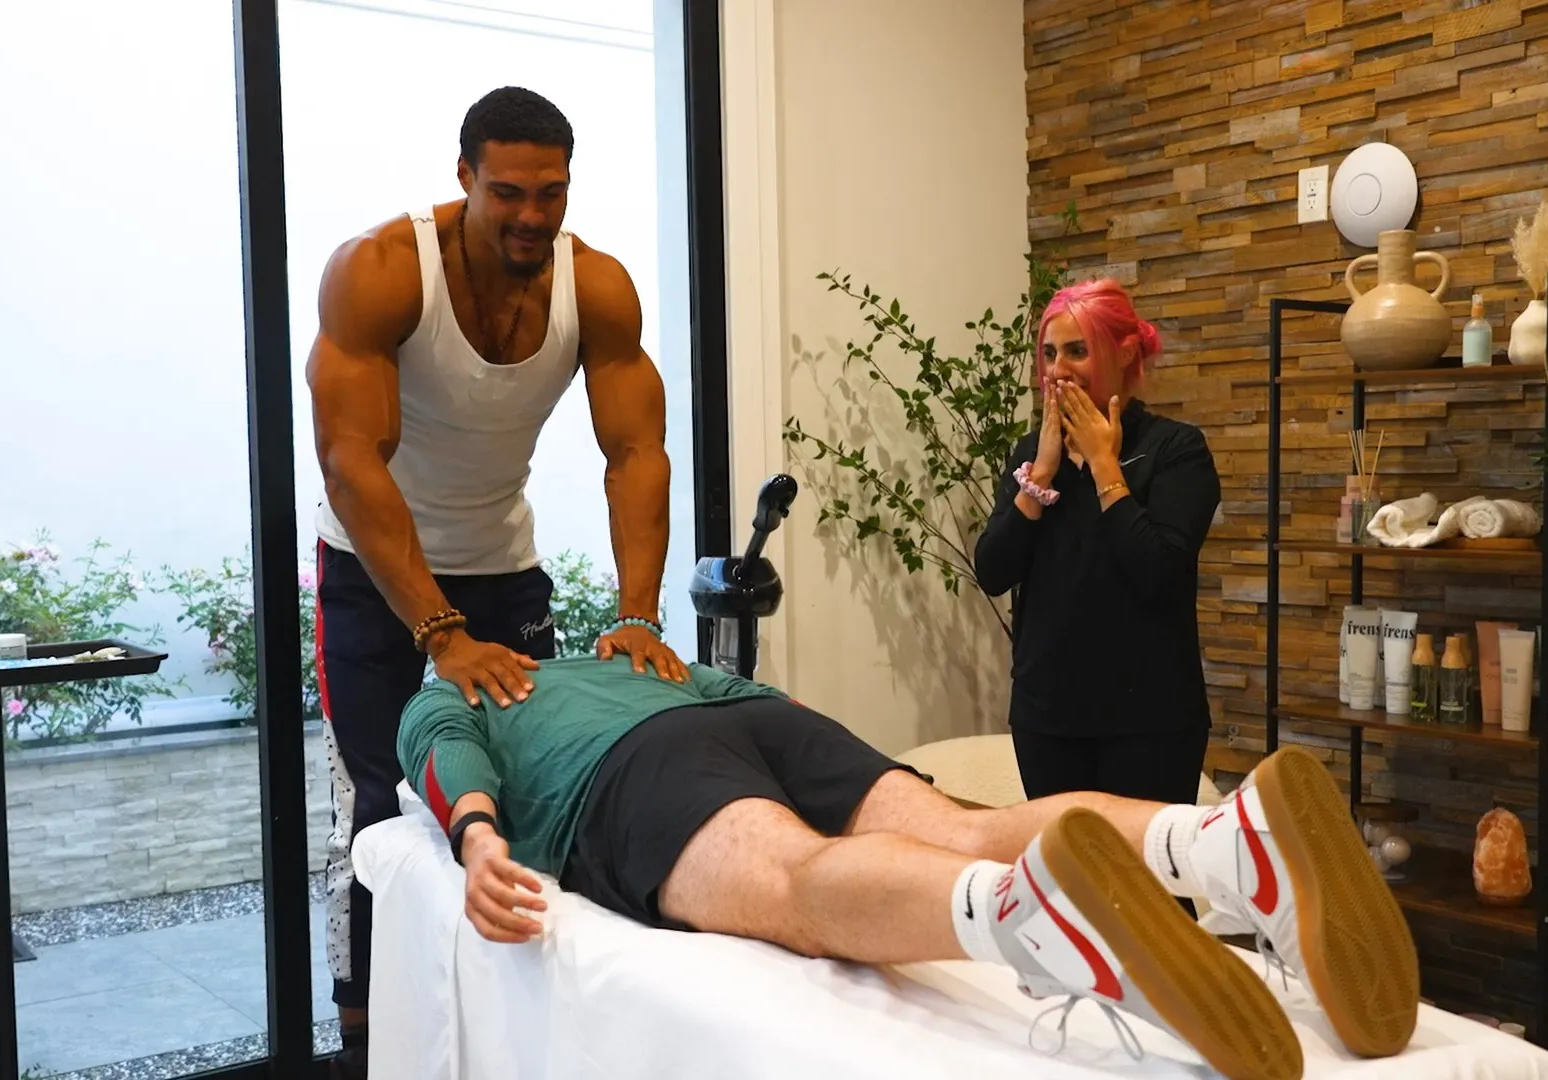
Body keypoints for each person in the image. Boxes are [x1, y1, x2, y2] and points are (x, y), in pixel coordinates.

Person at [398, 654, 1421, 1080]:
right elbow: (760, 697)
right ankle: (1217, 843)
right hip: (750, 718)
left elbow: (445, 761)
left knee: (797, 881)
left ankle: (1022, 914)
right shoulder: (629, 657)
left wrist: (478, 839)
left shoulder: (453, 690)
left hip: (628, 770)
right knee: (971, 827)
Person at [303, 86, 685, 1076]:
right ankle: (370, 1040)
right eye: (507, 192)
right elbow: (350, 462)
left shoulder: (596, 288)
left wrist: (639, 614)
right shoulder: (382, 271)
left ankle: (506, 1029)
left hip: (505, 570)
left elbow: (636, 452)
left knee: (519, 786)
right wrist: (439, 631)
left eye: (550, 193)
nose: (530, 214)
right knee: (384, 804)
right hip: (373, 576)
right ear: (465, 177)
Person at [973, 278, 1223, 805]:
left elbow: (1157, 572)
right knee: (1060, 860)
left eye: (1077, 351)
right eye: (1049, 354)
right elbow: (993, 571)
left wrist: (1104, 464)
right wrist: (1041, 475)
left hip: (1150, 722)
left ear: (1125, 353)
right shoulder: (1031, 454)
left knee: (1141, 863)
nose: (1057, 370)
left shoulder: (1175, 449)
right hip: (1047, 720)